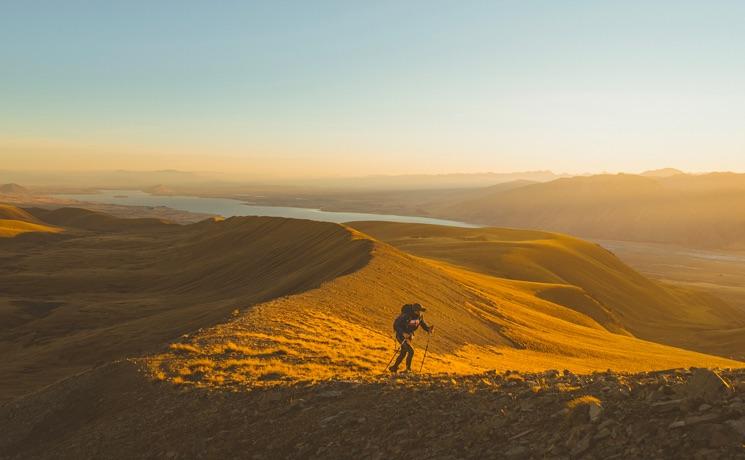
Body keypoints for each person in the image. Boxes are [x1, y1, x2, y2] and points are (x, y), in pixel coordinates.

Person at [390, 303, 434, 373]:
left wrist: (428, 329)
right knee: (411, 351)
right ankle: (408, 369)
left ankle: (394, 367)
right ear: (414, 310)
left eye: (421, 311)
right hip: (401, 336)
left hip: (409, 336)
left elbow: (422, 324)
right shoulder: (406, 316)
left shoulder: (420, 316)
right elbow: (396, 325)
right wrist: (403, 333)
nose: (420, 312)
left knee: (403, 352)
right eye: (418, 311)